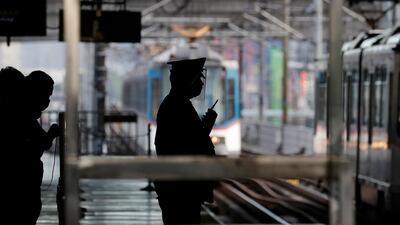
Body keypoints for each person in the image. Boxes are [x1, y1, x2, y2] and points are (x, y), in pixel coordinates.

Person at [154, 57, 218, 224]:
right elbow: (188, 145)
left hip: (180, 187)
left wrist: (204, 129)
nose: (202, 84)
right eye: (199, 78)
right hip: (181, 189)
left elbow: (187, 140)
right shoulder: (177, 107)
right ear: (187, 80)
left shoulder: (176, 104)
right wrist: (204, 131)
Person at [21, 70, 60, 224]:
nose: (48, 101)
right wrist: (52, 132)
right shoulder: (24, 116)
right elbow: (37, 145)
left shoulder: (24, 113)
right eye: (46, 95)